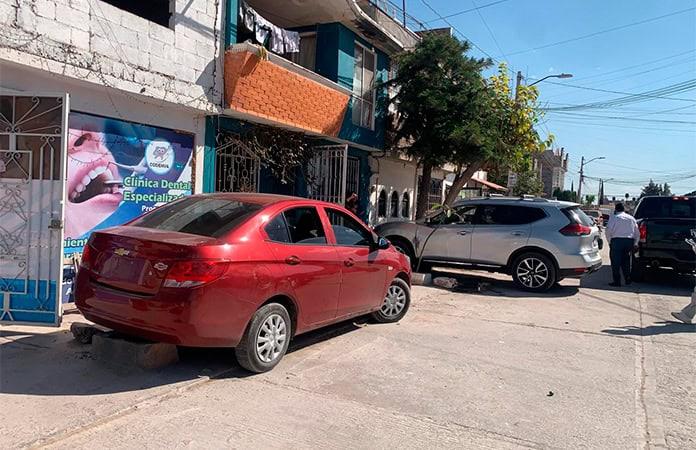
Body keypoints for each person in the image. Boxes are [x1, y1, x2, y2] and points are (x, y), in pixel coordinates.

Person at [604, 202, 639, 287]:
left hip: (617, 241)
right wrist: (636, 243)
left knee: (615, 262)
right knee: (626, 261)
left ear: (616, 209)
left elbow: (608, 231)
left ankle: (617, 281)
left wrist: (609, 242)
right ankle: (627, 278)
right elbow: (637, 232)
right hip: (629, 241)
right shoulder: (631, 218)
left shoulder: (614, 218)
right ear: (624, 209)